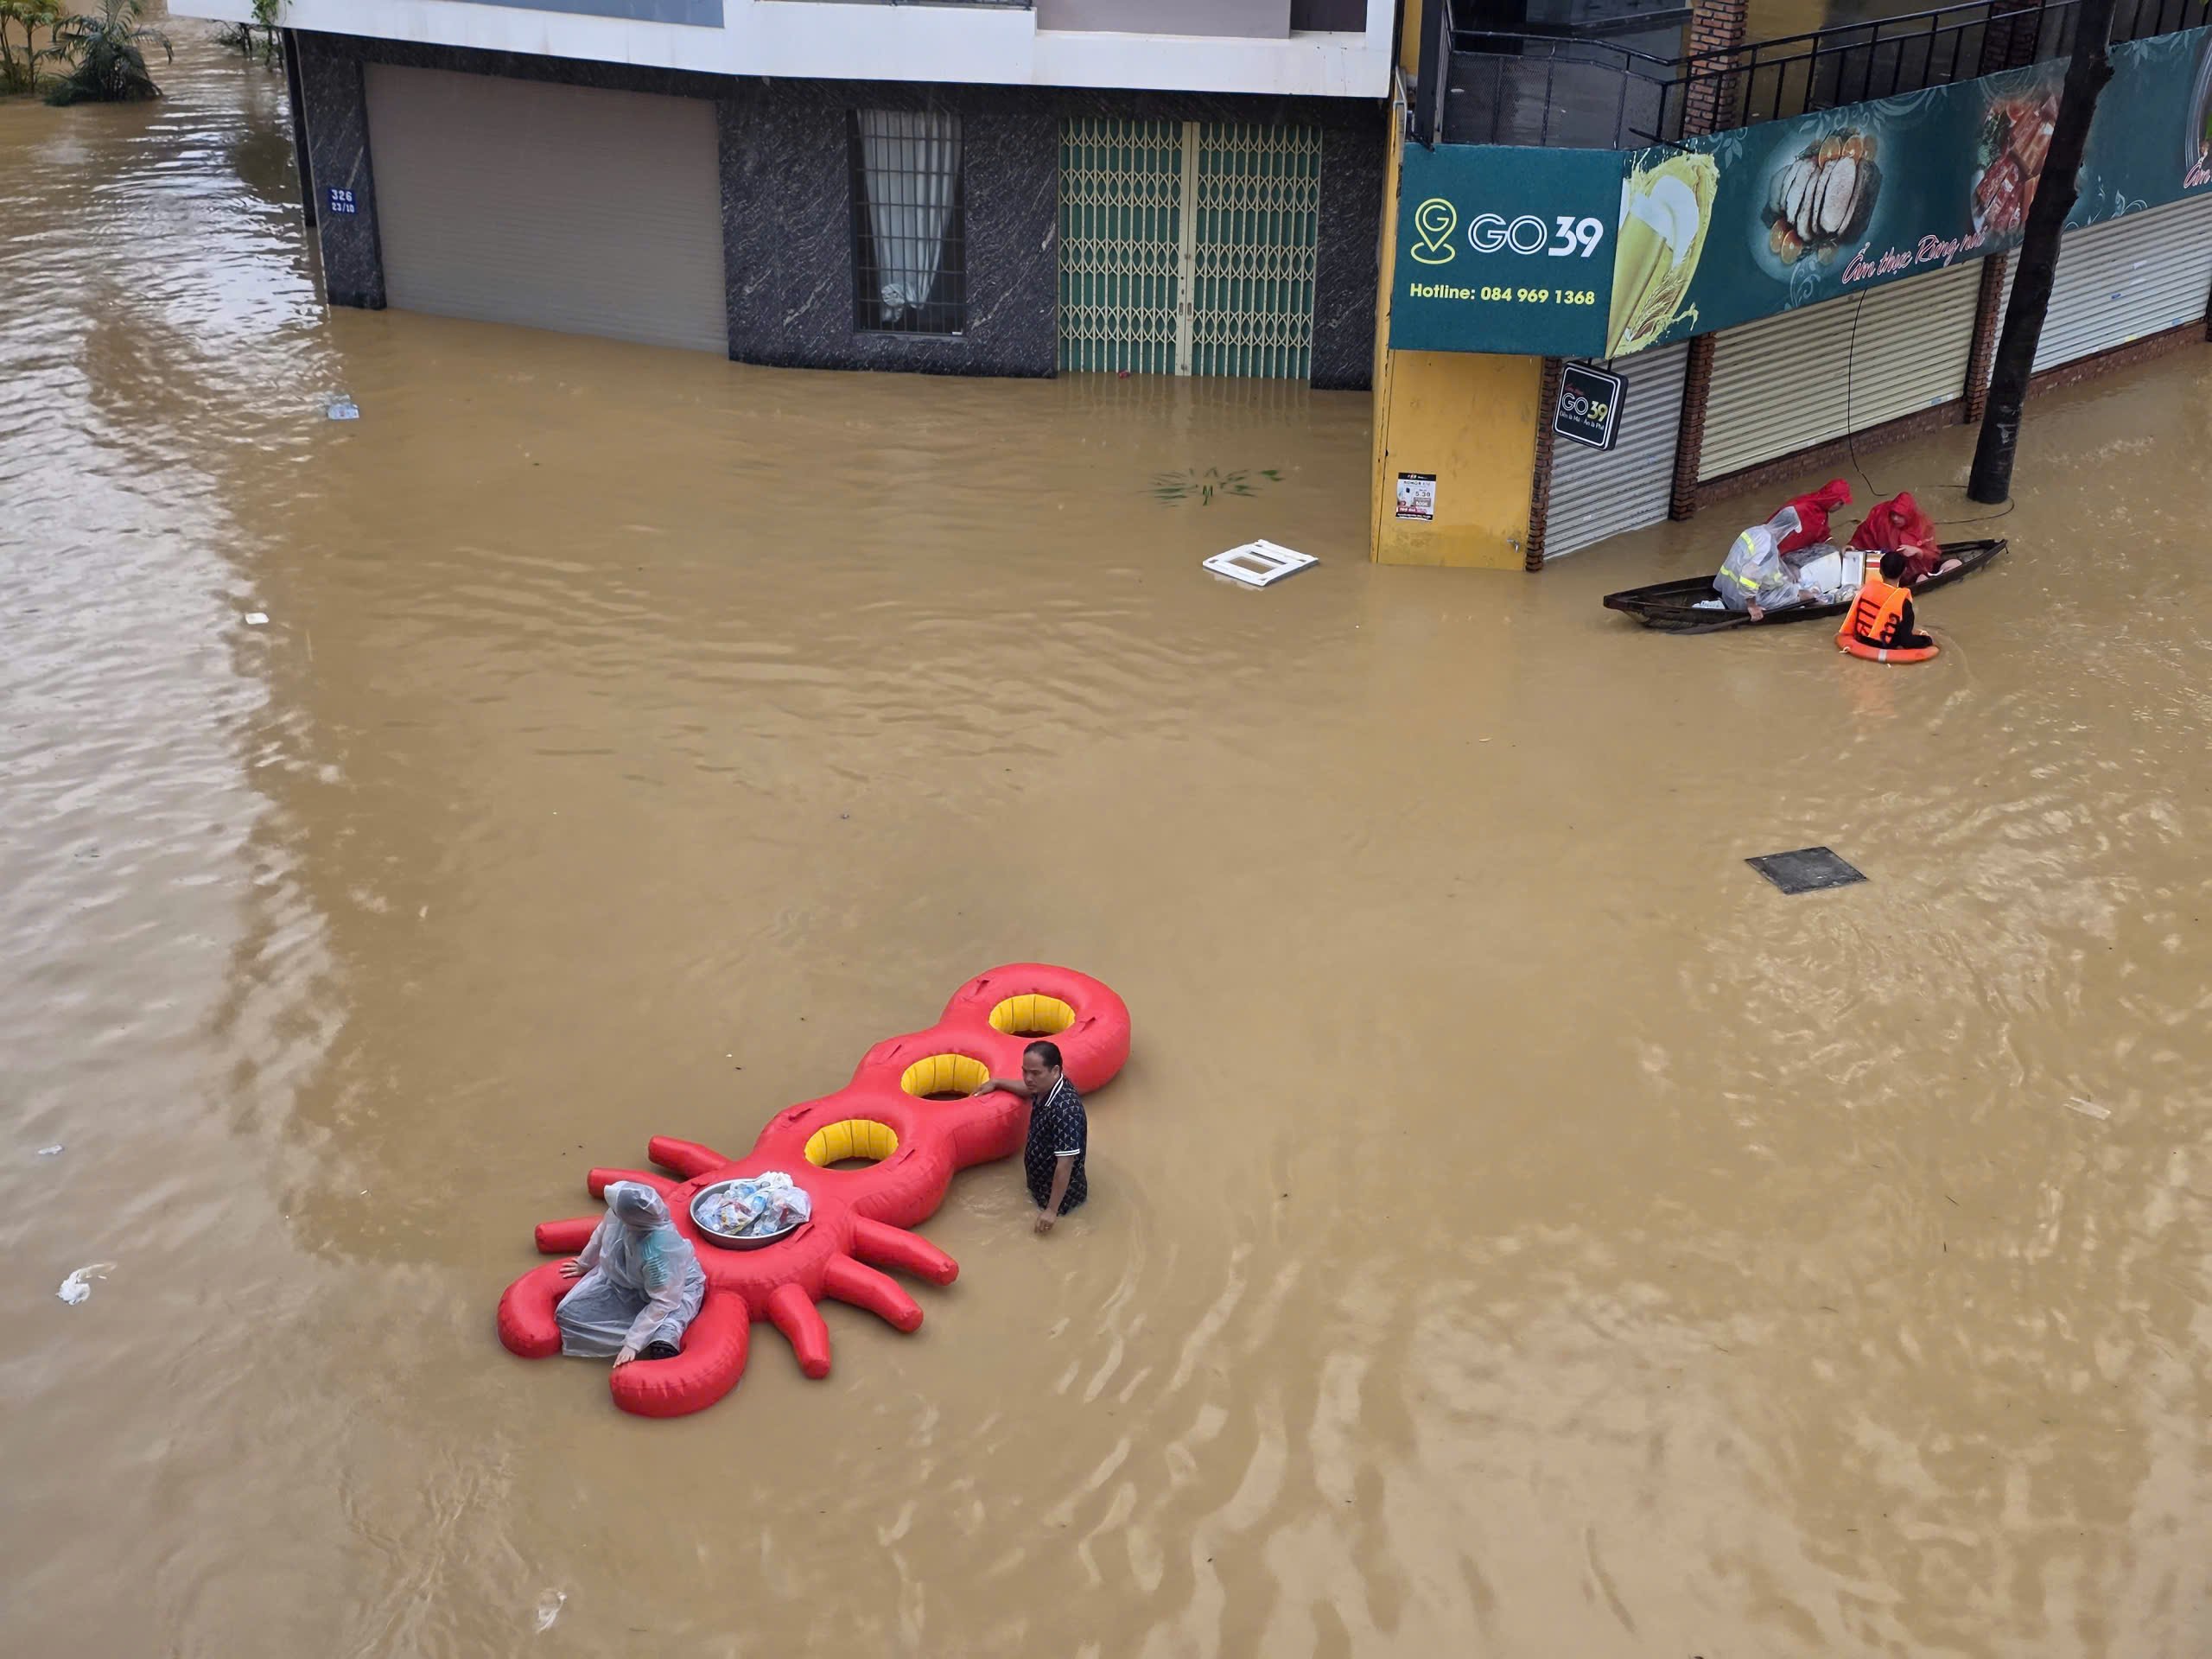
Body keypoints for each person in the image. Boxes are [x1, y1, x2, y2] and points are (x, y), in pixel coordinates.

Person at [555, 1180, 707, 1367]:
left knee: (673, 1315)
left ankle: (664, 1340)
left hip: (678, 1285)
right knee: (568, 1312)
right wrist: (584, 1264)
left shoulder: (659, 1249)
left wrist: (633, 1343)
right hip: (632, 1279)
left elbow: (664, 1300)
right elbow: (600, 1235)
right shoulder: (621, 1217)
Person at [970, 1039, 1087, 1235]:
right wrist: (997, 1082)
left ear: (1055, 1070)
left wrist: (1051, 1211)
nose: (1028, 1078)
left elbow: (1065, 1164)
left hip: (1062, 1201)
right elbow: (1027, 1089)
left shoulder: (1066, 1111)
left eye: (1035, 1073)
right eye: (1025, 1071)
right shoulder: (1046, 1087)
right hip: (1039, 1185)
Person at [1714, 479, 1853, 618]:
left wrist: (1786, 571)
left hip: (1728, 589)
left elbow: (1763, 562)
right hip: (1742, 601)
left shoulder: (1755, 532)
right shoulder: (1767, 547)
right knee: (1807, 595)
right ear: (1787, 530)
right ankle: (1828, 602)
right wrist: (1752, 606)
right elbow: (1750, 574)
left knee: (1789, 584)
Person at [1849, 490, 1958, 584]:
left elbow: (1934, 554)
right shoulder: (1881, 520)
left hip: (1923, 564)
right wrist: (1851, 546)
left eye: (1900, 516)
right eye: (1893, 514)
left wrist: (1917, 551)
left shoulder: (1923, 526)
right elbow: (1863, 535)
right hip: (1902, 573)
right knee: (1922, 579)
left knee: (1956, 564)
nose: (1895, 518)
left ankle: (1936, 576)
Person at [1840, 549, 1936, 653]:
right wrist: (1926, 640)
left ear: (1880, 570)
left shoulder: (1865, 590)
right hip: (1884, 645)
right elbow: (1906, 642)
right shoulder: (1903, 602)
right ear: (1904, 571)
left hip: (1861, 639)